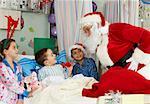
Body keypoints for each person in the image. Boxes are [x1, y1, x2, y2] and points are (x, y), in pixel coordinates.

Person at [78, 12, 150, 97]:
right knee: (107, 80)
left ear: (96, 25)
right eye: (84, 31)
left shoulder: (115, 29)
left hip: (139, 67)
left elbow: (147, 36)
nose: (87, 33)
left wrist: (137, 57)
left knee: (110, 80)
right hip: (121, 73)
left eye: (88, 29)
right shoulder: (98, 43)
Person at [0, 39, 33, 104]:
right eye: (14, 47)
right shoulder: (2, 66)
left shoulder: (18, 66)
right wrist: (25, 93)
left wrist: (20, 98)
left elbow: (21, 83)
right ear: (5, 51)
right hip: (3, 99)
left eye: (17, 47)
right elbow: (10, 83)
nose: (17, 50)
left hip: (16, 98)